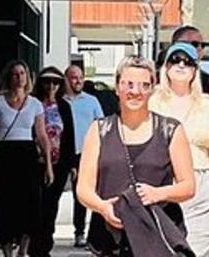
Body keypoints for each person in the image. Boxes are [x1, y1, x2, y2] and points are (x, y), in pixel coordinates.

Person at [76, 56, 196, 257]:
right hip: (110, 239)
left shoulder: (170, 130)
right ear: (117, 88)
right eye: (129, 84)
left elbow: (188, 186)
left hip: (157, 238)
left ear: (152, 89)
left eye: (144, 85)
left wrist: (158, 193)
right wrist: (103, 207)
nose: (136, 91)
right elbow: (83, 188)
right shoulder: (99, 130)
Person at [149, 42, 209, 256]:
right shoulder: (151, 103)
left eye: (188, 62)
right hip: (162, 186)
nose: (181, 65)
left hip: (201, 188)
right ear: (166, 67)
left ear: (195, 70)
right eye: (175, 60)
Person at [0, 60, 54, 257]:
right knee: (3, 204)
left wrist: (48, 164)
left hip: (27, 156)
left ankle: (23, 250)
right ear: (9, 77)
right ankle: (7, 251)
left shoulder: (35, 104)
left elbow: (42, 136)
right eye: (15, 74)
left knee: (30, 204)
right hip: (5, 155)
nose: (19, 78)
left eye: (22, 74)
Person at [30, 66, 76, 257]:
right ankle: (33, 244)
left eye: (56, 82)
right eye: (47, 81)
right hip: (36, 161)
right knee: (35, 204)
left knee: (51, 204)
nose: (51, 86)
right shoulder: (33, 104)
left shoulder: (64, 106)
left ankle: (44, 245)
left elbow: (69, 136)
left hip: (59, 163)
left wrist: (72, 164)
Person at [64, 64, 105, 249]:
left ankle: (81, 233)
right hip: (64, 153)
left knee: (82, 195)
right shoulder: (60, 101)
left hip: (85, 153)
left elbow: (102, 126)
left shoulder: (91, 101)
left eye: (81, 77)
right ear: (66, 79)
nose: (78, 81)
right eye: (74, 77)